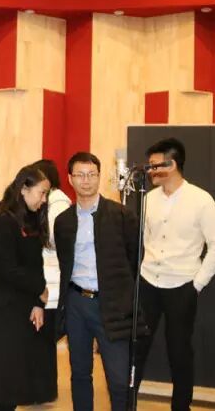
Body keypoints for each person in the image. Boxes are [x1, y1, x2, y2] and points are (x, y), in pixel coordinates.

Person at [135, 138, 215, 411]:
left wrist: (197, 284)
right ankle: (127, 404)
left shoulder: (201, 200)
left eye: (154, 165)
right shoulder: (148, 199)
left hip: (182, 286)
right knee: (136, 348)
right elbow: (144, 239)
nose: (150, 171)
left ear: (172, 164)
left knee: (180, 352)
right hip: (148, 283)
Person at [54, 152, 145, 411]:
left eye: (91, 174)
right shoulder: (63, 221)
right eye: (80, 175)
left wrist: (119, 290)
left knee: (119, 379)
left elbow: (135, 257)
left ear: (99, 177)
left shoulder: (121, 215)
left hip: (112, 303)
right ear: (70, 179)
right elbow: (64, 262)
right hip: (76, 302)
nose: (86, 180)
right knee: (80, 372)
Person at [0, 165, 51, 410]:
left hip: (21, 311)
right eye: (42, 193)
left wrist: (37, 302)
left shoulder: (31, 219)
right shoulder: (1, 221)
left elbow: (35, 265)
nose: (44, 199)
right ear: (24, 189)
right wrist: (40, 289)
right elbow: (7, 269)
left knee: (12, 386)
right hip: (0, 313)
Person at [31, 159, 72, 403]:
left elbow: (57, 240)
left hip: (52, 281)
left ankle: (43, 391)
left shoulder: (57, 203)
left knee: (43, 341)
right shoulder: (54, 201)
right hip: (48, 280)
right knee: (42, 342)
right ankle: (41, 390)